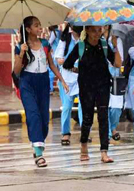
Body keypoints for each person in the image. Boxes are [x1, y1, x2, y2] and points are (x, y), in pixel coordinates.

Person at [13, 16, 69, 167]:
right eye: (36, 25)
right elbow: (16, 71)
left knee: (44, 119)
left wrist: (62, 80)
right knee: (33, 115)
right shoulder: (20, 46)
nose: (40, 28)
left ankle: (38, 143)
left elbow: (51, 64)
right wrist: (21, 53)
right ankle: (39, 153)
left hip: (43, 82)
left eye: (40, 25)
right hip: (27, 83)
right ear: (28, 29)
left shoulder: (45, 44)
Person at [63, 26, 122, 163]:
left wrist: (115, 47)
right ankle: (84, 145)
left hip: (103, 85)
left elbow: (117, 64)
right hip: (86, 87)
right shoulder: (81, 46)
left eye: (99, 30)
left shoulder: (104, 45)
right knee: (88, 118)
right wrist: (80, 71)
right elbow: (67, 64)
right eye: (94, 30)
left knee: (103, 117)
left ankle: (104, 152)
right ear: (87, 31)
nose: (97, 33)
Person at [54, 23, 84, 146]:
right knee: (67, 107)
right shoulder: (65, 40)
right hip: (66, 79)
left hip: (82, 78)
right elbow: (58, 59)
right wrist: (71, 64)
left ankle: (84, 132)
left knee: (83, 106)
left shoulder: (85, 41)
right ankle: (65, 133)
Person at [103, 25, 124, 142]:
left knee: (116, 107)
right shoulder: (97, 41)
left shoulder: (116, 40)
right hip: (102, 77)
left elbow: (119, 63)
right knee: (104, 107)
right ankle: (108, 132)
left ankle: (113, 127)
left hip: (115, 77)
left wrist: (115, 45)